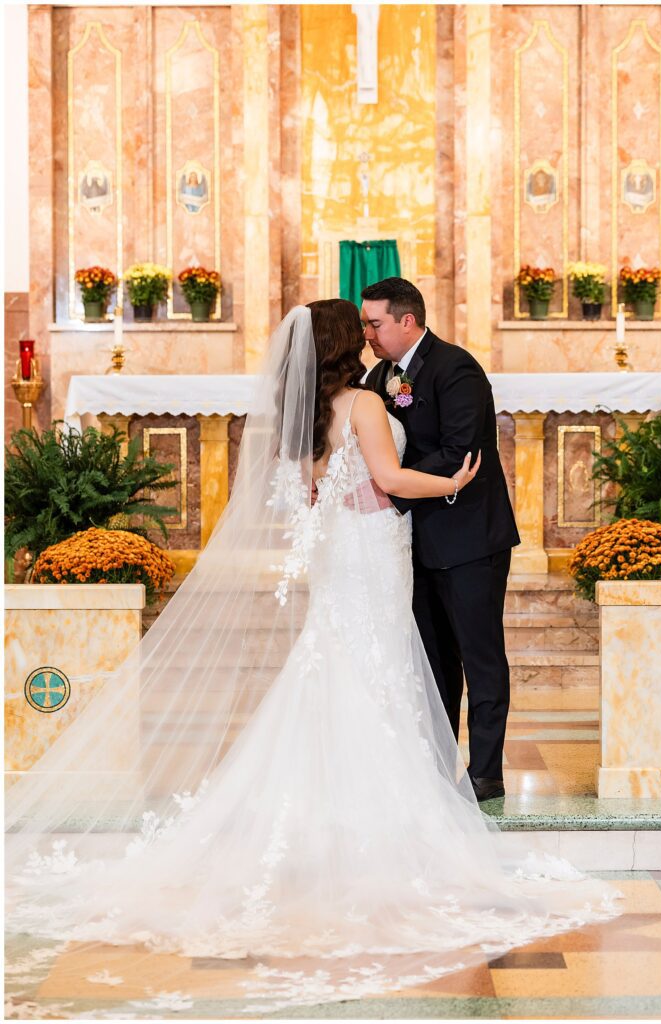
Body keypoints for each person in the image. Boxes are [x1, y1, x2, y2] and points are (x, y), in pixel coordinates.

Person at [5, 301, 621, 1016]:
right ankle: (385, 817)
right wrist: (452, 483)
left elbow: (315, 489)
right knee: (374, 666)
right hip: (373, 553)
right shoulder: (362, 400)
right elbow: (390, 480)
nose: (366, 338)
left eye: (373, 326)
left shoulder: (305, 416)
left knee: (340, 668)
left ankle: (335, 813)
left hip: (341, 558)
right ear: (339, 345)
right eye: (354, 330)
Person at [362, 277, 519, 803]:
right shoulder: (381, 374)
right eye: (364, 324)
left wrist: (389, 488)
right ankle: (435, 762)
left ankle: (487, 772)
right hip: (418, 542)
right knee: (433, 661)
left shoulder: (457, 369)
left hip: (470, 536)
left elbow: (460, 453)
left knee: (479, 656)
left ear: (407, 321)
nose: (368, 333)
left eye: (375, 323)